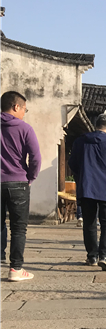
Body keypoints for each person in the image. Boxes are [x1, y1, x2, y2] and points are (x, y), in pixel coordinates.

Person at [68, 113, 106, 271]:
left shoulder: (80, 141)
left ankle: (92, 256)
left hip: (87, 187)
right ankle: (105, 256)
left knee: (89, 222)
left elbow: (72, 164)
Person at [1, 91, 42, 281]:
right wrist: (30, 177)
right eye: (25, 109)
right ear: (16, 106)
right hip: (18, 182)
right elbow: (35, 158)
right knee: (18, 228)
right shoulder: (25, 128)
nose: (25, 113)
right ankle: (15, 269)